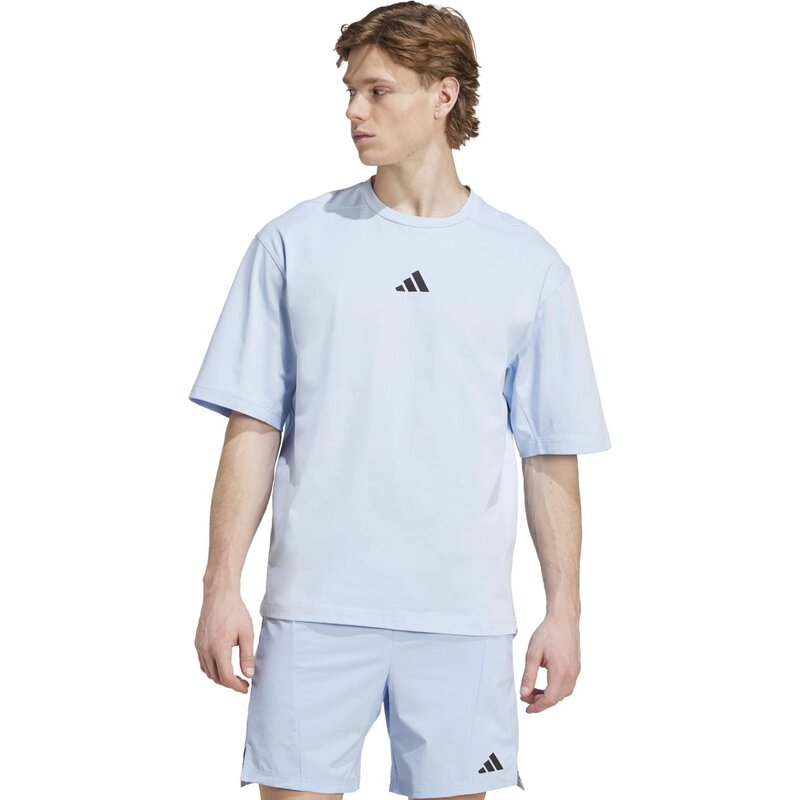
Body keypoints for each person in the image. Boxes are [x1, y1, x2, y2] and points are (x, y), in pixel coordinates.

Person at [189, 3, 611, 799]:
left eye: (378, 91)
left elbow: (549, 451)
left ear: (444, 94)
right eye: (351, 91)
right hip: (314, 610)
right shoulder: (294, 242)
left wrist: (565, 612)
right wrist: (220, 587)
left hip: (462, 620)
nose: (354, 110)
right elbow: (253, 425)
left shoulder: (527, 264)